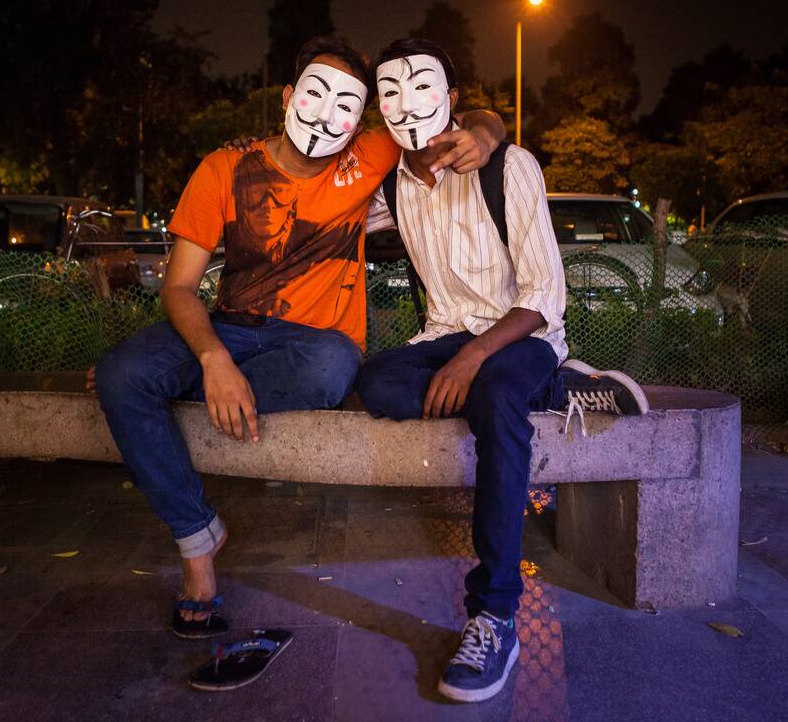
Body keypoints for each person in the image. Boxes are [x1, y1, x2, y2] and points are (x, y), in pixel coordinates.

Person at [90, 36, 506, 640]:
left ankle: (160, 391)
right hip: (230, 328)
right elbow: (179, 288)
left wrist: (487, 135)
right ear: (288, 96)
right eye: (314, 95)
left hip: (316, 344)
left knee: (332, 368)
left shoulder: (371, 153)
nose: (326, 115)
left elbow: (456, 118)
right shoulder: (224, 169)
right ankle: (198, 544)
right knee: (122, 375)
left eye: (347, 106)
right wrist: (212, 359)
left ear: (364, 119)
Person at [355, 38, 649, 703]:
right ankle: (558, 392)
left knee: (492, 392)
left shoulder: (507, 166)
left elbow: (545, 295)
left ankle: (494, 614)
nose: (407, 105)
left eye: (423, 89)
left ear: (453, 99)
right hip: (444, 336)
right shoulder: (391, 190)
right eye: (390, 95)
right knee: (378, 383)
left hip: (523, 332)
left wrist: (475, 355)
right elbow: (325, 216)